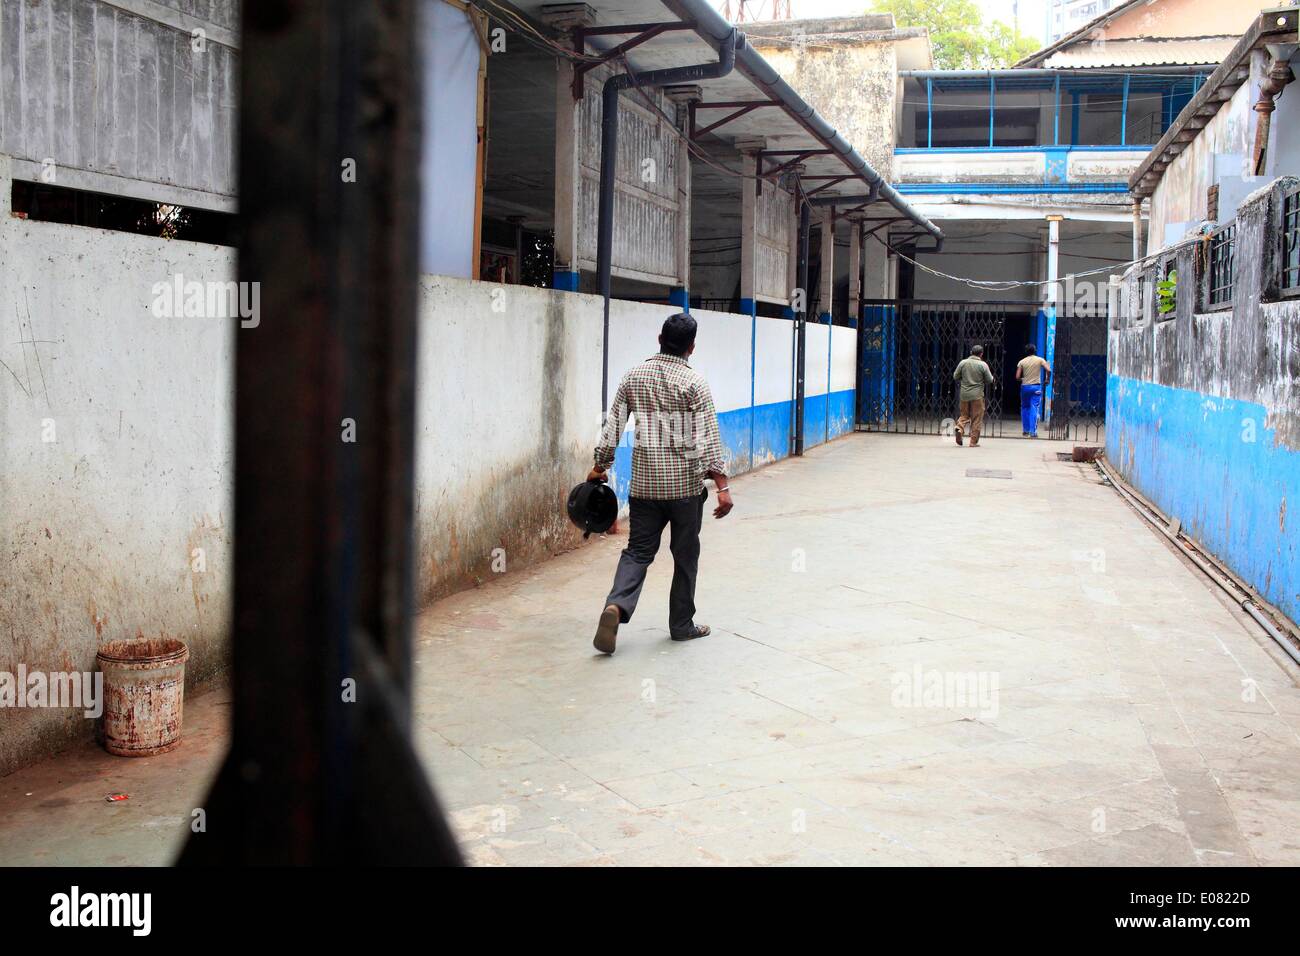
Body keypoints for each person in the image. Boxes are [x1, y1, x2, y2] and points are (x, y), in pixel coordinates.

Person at [587, 313, 733, 655]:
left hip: (645, 489)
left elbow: (612, 428)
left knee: (638, 552)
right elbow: (710, 437)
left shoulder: (633, 377)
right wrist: (722, 488)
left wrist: (599, 466)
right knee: (685, 556)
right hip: (684, 490)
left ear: (659, 338)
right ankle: (681, 625)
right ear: (691, 348)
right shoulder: (695, 383)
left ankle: (616, 607)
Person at [952, 344, 994, 447]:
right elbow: (989, 380)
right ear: (981, 354)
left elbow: (955, 376)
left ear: (971, 352)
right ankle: (973, 442)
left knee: (964, 415)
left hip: (964, 395)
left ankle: (959, 428)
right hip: (977, 396)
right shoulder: (983, 365)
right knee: (976, 418)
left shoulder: (963, 363)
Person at [1015, 344, 1052, 438]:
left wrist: (1024, 379)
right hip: (1036, 387)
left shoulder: (1022, 362)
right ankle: (1033, 432)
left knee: (1024, 408)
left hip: (1025, 387)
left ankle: (1025, 430)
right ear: (1035, 351)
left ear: (1026, 351)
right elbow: (1049, 370)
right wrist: (1047, 379)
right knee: (1034, 407)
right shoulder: (1040, 360)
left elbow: (1017, 377)